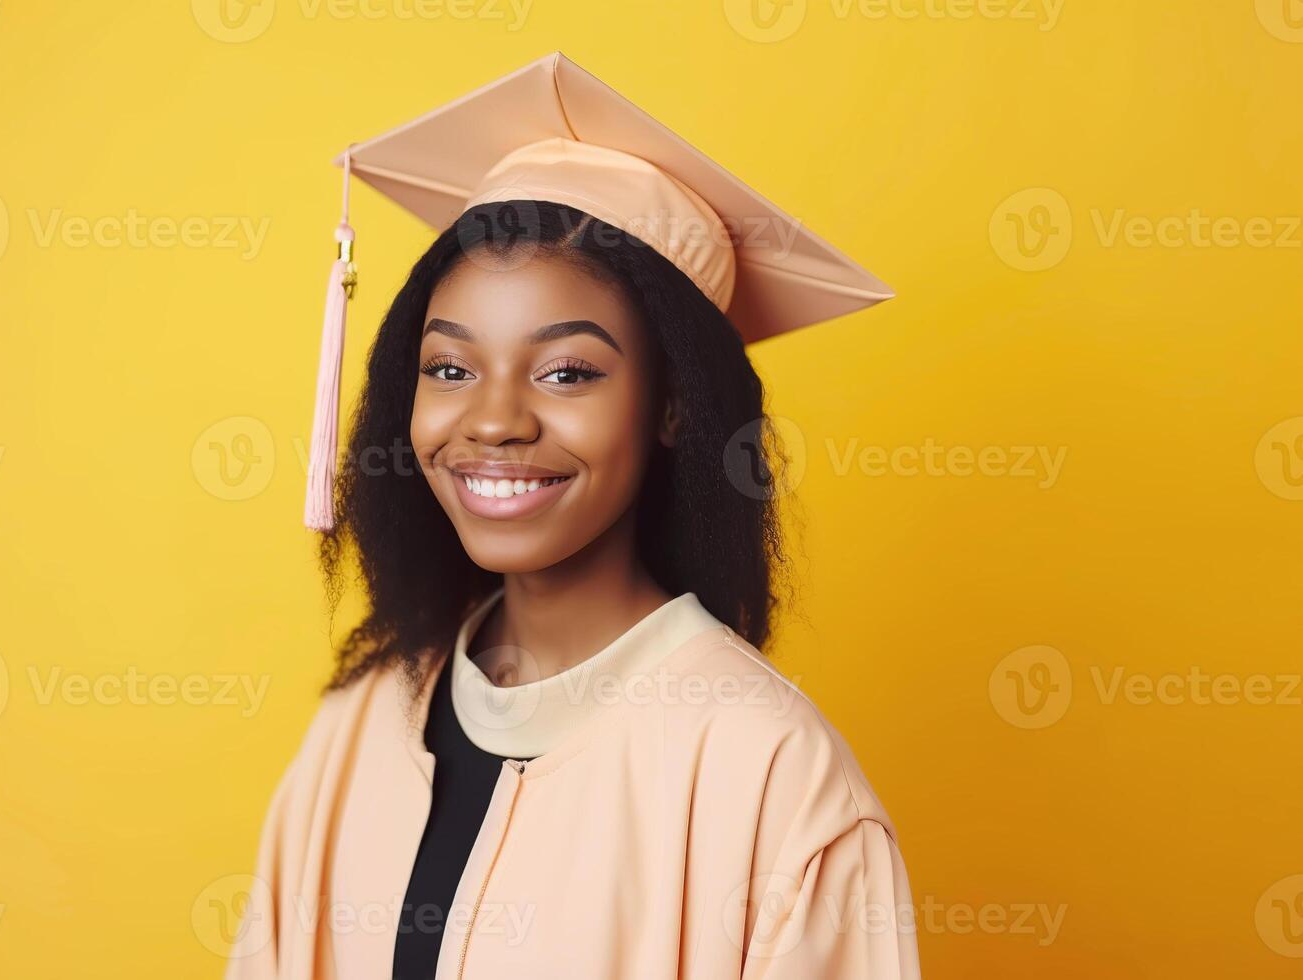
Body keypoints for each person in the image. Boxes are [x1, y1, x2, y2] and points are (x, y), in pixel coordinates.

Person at [227, 52, 920, 980]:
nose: (494, 420)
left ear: (676, 407)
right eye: (449, 368)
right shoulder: (361, 725)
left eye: (567, 373)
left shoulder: (774, 780)